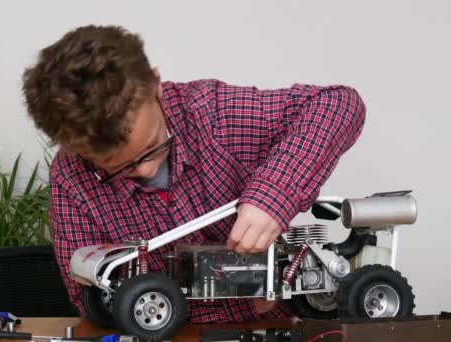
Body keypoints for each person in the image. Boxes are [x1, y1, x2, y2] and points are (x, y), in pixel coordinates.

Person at [21, 25, 366, 323]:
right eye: (117, 167)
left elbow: (340, 105)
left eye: (154, 145)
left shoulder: (212, 113)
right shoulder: (71, 178)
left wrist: (272, 196)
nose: (146, 169)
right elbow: (92, 303)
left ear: (156, 85)